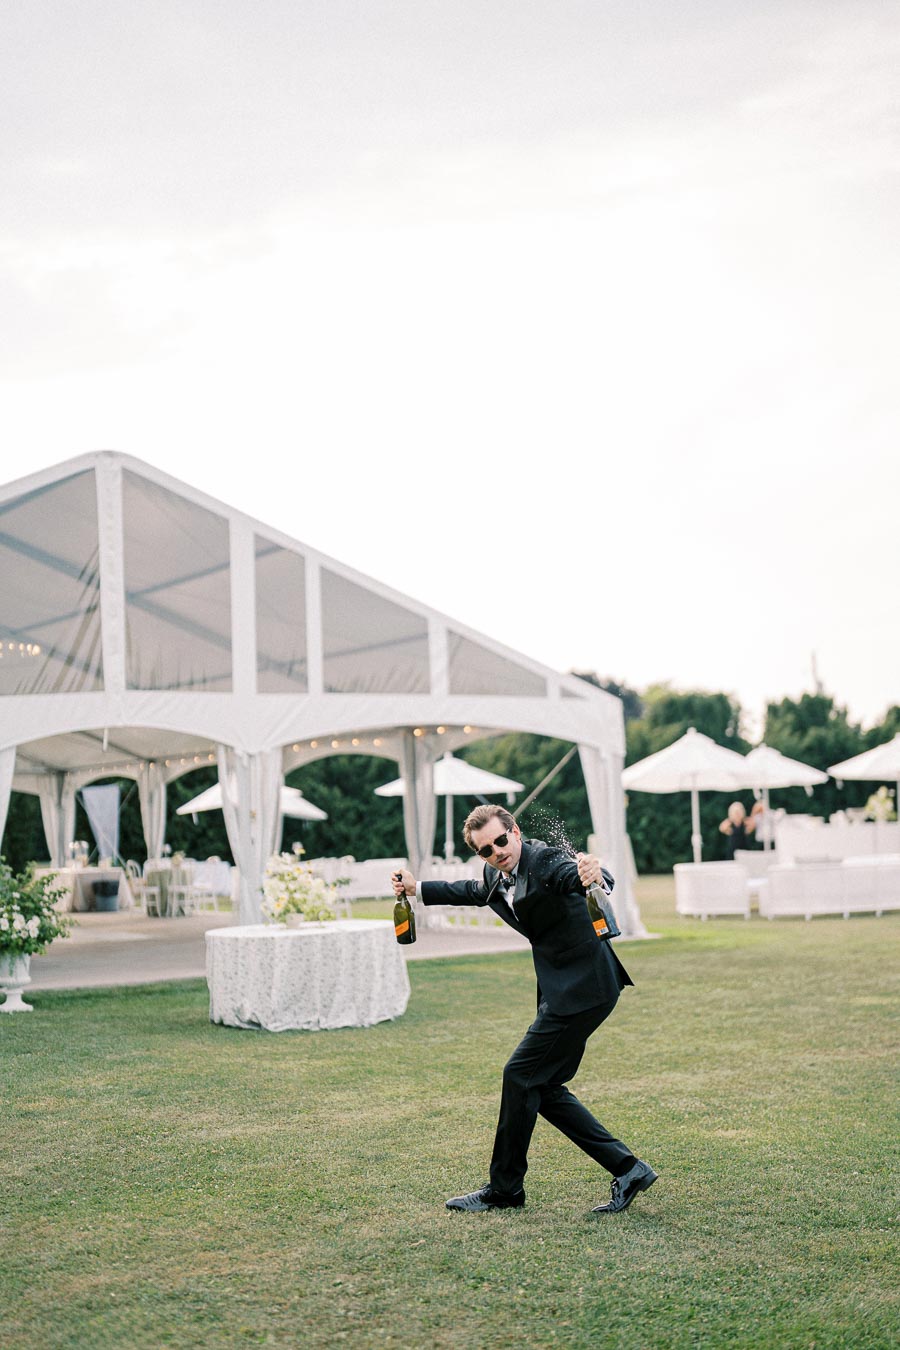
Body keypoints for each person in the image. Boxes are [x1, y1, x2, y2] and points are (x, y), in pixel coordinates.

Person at [391, 804, 657, 1217]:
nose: (497, 851)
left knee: (519, 1075)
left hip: (585, 988)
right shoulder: (493, 874)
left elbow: (584, 876)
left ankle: (504, 1189)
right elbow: (472, 892)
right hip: (563, 989)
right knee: (541, 1088)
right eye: (485, 850)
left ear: (514, 831)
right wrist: (416, 889)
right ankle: (628, 1169)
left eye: (501, 840)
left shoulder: (546, 860)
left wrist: (595, 874)